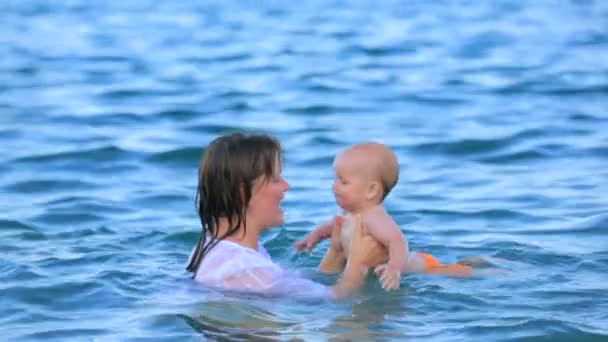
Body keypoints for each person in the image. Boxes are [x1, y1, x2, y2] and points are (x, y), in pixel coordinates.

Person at [186, 132, 386, 300]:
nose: (286, 186)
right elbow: (334, 300)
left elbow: (291, 286)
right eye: (275, 179)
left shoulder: (214, 248)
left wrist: (336, 253)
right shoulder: (242, 268)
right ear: (243, 193)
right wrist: (358, 265)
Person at [294, 142, 473, 291]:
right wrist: (313, 237)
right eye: (335, 180)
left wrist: (394, 269)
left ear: (371, 190)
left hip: (421, 266)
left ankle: (480, 270)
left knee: (456, 272)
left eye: (343, 182)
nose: (334, 187)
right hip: (377, 269)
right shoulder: (348, 214)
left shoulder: (373, 217)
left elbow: (398, 241)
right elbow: (331, 227)